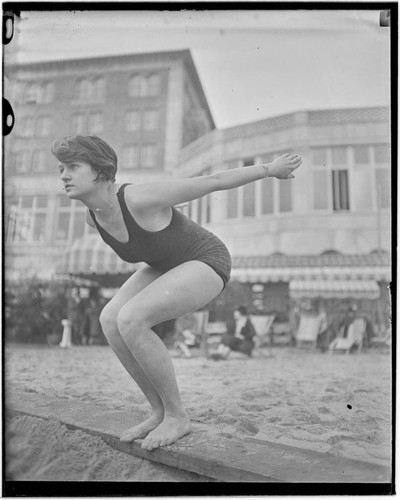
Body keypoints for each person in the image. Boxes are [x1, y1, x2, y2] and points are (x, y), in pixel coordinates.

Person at [51, 135, 302, 451]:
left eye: (73, 166)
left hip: (206, 259)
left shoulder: (138, 198)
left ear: (100, 169)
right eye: (61, 168)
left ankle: (178, 416)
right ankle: (160, 412)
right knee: (110, 318)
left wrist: (269, 169)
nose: (63, 175)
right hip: (165, 264)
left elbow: (213, 180)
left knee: (132, 318)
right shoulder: (93, 217)